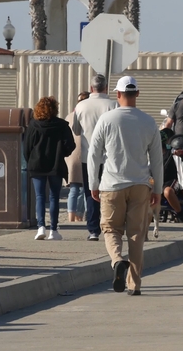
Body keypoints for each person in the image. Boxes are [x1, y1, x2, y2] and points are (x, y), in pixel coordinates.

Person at [89, 76, 164, 296]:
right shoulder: (149, 122)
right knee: (136, 234)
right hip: (140, 184)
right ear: (137, 94)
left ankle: (117, 261)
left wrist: (93, 182)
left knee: (111, 229)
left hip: (111, 183)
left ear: (118, 94)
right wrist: (158, 189)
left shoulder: (107, 119)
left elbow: (94, 154)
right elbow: (157, 160)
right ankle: (134, 284)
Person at [72, 74, 119, 241]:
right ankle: (110, 224)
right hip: (109, 157)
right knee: (110, 192)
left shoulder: (81, 106)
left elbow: (76, 130)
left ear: (91, 88)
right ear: (105, 87)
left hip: (87, 156)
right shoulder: (113, 105)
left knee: (90, 192)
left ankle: (93, 230)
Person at [25, 96, 77, 241]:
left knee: (40, 196)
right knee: (54, 197)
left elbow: (27, 147)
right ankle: (53, 230)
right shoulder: (61, 125)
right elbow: (71, 145)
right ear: (55, 109)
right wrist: (62, 153)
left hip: (37, 164)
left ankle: (41, 227)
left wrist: (30, 159)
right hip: (56, 164)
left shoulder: (33, 125)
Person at [65, 92, 89, 222]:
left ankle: (71, 217)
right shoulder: (89, 115)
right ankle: (83, 216)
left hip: (72, 156)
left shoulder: (69, 116)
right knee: (87, 190)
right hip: (85, 154)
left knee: (74, 189)